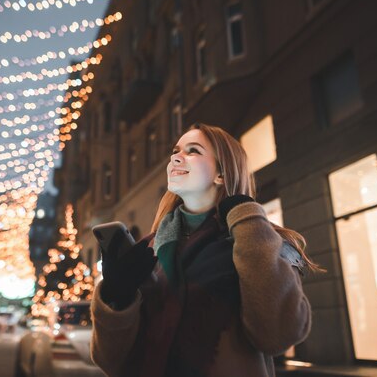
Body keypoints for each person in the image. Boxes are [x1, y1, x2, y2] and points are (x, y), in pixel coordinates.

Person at [90, 123, 321, 377]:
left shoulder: (258, 241)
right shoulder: (149, 250)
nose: (175, 157)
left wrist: (247, 217)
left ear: (220, 174)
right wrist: (117, 299)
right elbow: (109, 361)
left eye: (193, 151)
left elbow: (278, 335)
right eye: (176, 150)